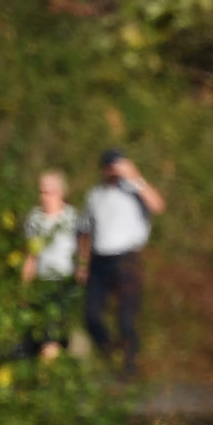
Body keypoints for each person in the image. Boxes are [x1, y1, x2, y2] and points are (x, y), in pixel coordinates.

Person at [77, 148, 166, 379]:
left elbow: (157, 206)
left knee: (126, 318)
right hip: (99, 261)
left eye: (119, 166)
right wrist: (83, 263)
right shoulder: (95, 195)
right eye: (111, 167)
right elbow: (85, 231)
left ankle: (129, 368)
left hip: (127, 259)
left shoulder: (135, 190)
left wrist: (135, 177)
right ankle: (110, 353)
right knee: (92, 315)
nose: (115, 172)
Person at [20, 169, 81, 360]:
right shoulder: (35, 219)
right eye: (41, 191)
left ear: (60, 193)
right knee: (42, 332)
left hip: (64, 281)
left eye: (48, 192)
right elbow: (32, 255)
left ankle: (47, 378)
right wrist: (24, 286)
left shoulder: (72, 218)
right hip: (42, 282)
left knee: (51, 332)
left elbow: (82, 250)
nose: (44, 196)